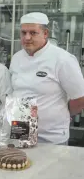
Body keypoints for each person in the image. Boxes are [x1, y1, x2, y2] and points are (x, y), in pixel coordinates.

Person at [9, 12, 84, 145]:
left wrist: (61, 114)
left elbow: (79, 99)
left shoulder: (62, 59)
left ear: (45, 33)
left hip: (50, 136)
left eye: (33, 33)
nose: (27, 37)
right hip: (20, 133)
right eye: (23, 33)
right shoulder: (16, 58)